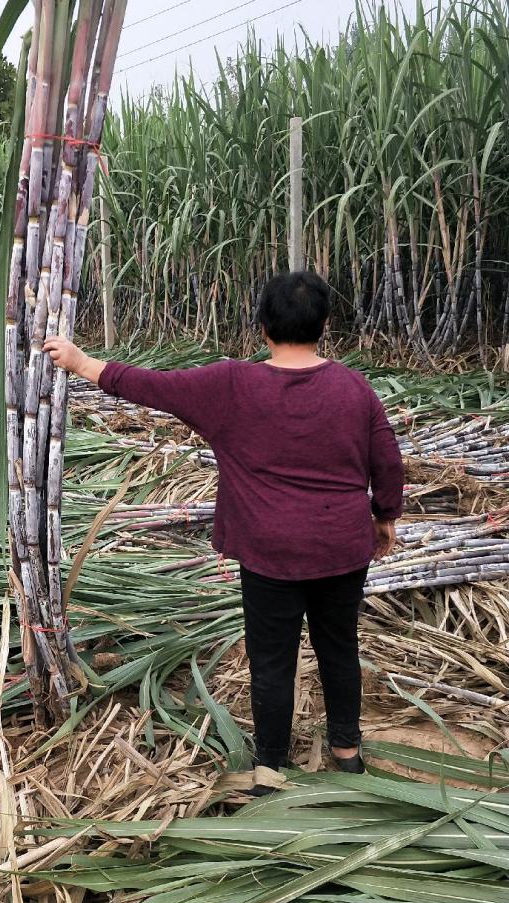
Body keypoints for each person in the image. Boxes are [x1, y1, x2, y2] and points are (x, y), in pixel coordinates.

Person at [44, 272, 404, 776]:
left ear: (262, 329)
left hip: (269, 550)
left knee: (272, 661)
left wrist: (82, 363)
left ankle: (270, 769)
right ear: (325, 325)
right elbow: (387, 461)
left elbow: (155, 387)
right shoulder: (353, 387)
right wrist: (385, 516)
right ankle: (347, 754)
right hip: (341, 545)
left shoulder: (231, 384)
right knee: (339, 648)